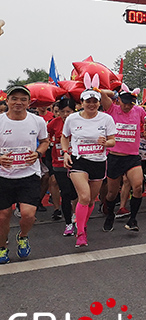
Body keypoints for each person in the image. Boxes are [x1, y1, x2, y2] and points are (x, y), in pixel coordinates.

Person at [62, 84, 117, 248]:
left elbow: (113, 141)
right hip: (78, 160)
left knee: (91, 200)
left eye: (95, 101)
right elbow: (64, 137)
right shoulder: (72, 118)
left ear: (99, 102)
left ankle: (83, 223)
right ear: (82, 102)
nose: (91, 104)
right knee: (84, 197)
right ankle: (80, 233)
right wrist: (66, 152)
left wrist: (106, 142)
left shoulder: (106, 119)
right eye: (88, 101)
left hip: (98, 162)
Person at [0, 85, 49, 263]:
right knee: (3, 215)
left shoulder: (37, 121)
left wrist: (38, 153)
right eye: (14, 99)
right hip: (3, 176)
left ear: (29, 103)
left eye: (23, 99)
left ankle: (23, 236)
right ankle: (2, 246)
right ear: (8, 101)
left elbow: (45, 141)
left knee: (28, 214)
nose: (18, 102)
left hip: (29, 174)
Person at [100, 85, 146, 232]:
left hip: (132, 157)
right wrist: (115, 93)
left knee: (138, 186)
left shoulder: (139, 111)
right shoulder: (112, 109)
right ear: (118, 100)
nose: (127, 106)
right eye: (124, 102)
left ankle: (133, 219)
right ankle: (110, 215)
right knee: (112, 193)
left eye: (131, 103)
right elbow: (100, 92)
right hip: (114, 157)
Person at [47, 97, 78, 237]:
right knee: (65, 193)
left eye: (69, 111)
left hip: (77, 163)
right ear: (58, 112)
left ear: (74, 110)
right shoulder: (53, 123)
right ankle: (68, 224)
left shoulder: (79, 122)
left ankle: (76, 215)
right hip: (59, 163)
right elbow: (45, 137)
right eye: (63, 112)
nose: (66, 115)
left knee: (76, 193)